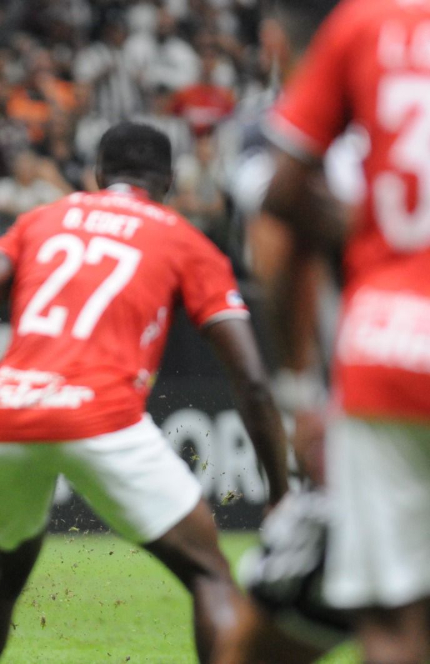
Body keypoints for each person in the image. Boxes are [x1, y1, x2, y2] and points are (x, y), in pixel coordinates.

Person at [0, 123, 288, 664]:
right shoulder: (182, 238)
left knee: (2, 576)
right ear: (168, 180)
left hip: (7, 414)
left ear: (98, 174)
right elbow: (254, 382)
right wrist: (282, 492)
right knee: (209, 574)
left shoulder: (43, 218)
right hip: (100, 414)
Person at [261, 0, 430, 662]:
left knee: (393, 617)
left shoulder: (365, 24)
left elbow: (280, 193)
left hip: (391, 340)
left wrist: (371, 234)